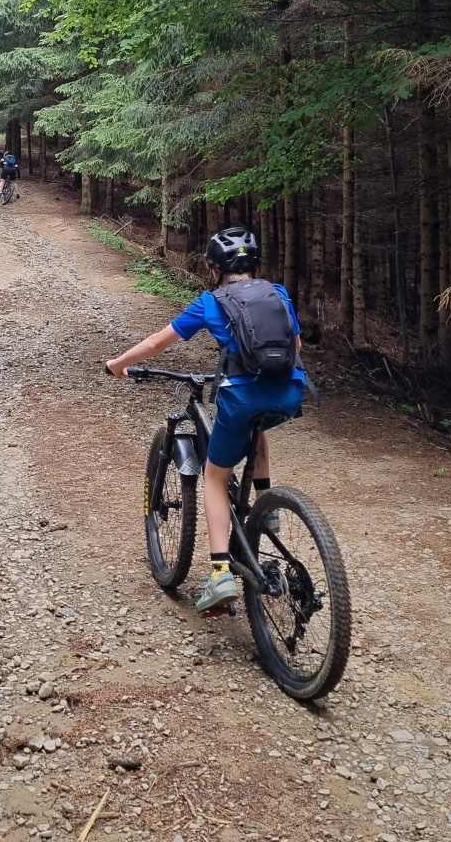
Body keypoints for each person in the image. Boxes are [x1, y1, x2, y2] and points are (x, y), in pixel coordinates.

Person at [105, 225, 307, 615]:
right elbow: (295, 346)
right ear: (254, 265)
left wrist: (118, 364)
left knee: (214, 476)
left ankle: (220, 575)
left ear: (215, 268)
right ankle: (267, 509)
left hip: (241, 397)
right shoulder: (277, 293)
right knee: (258, 429)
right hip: (289, 392)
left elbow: (157, 343)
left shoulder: (210, 302)